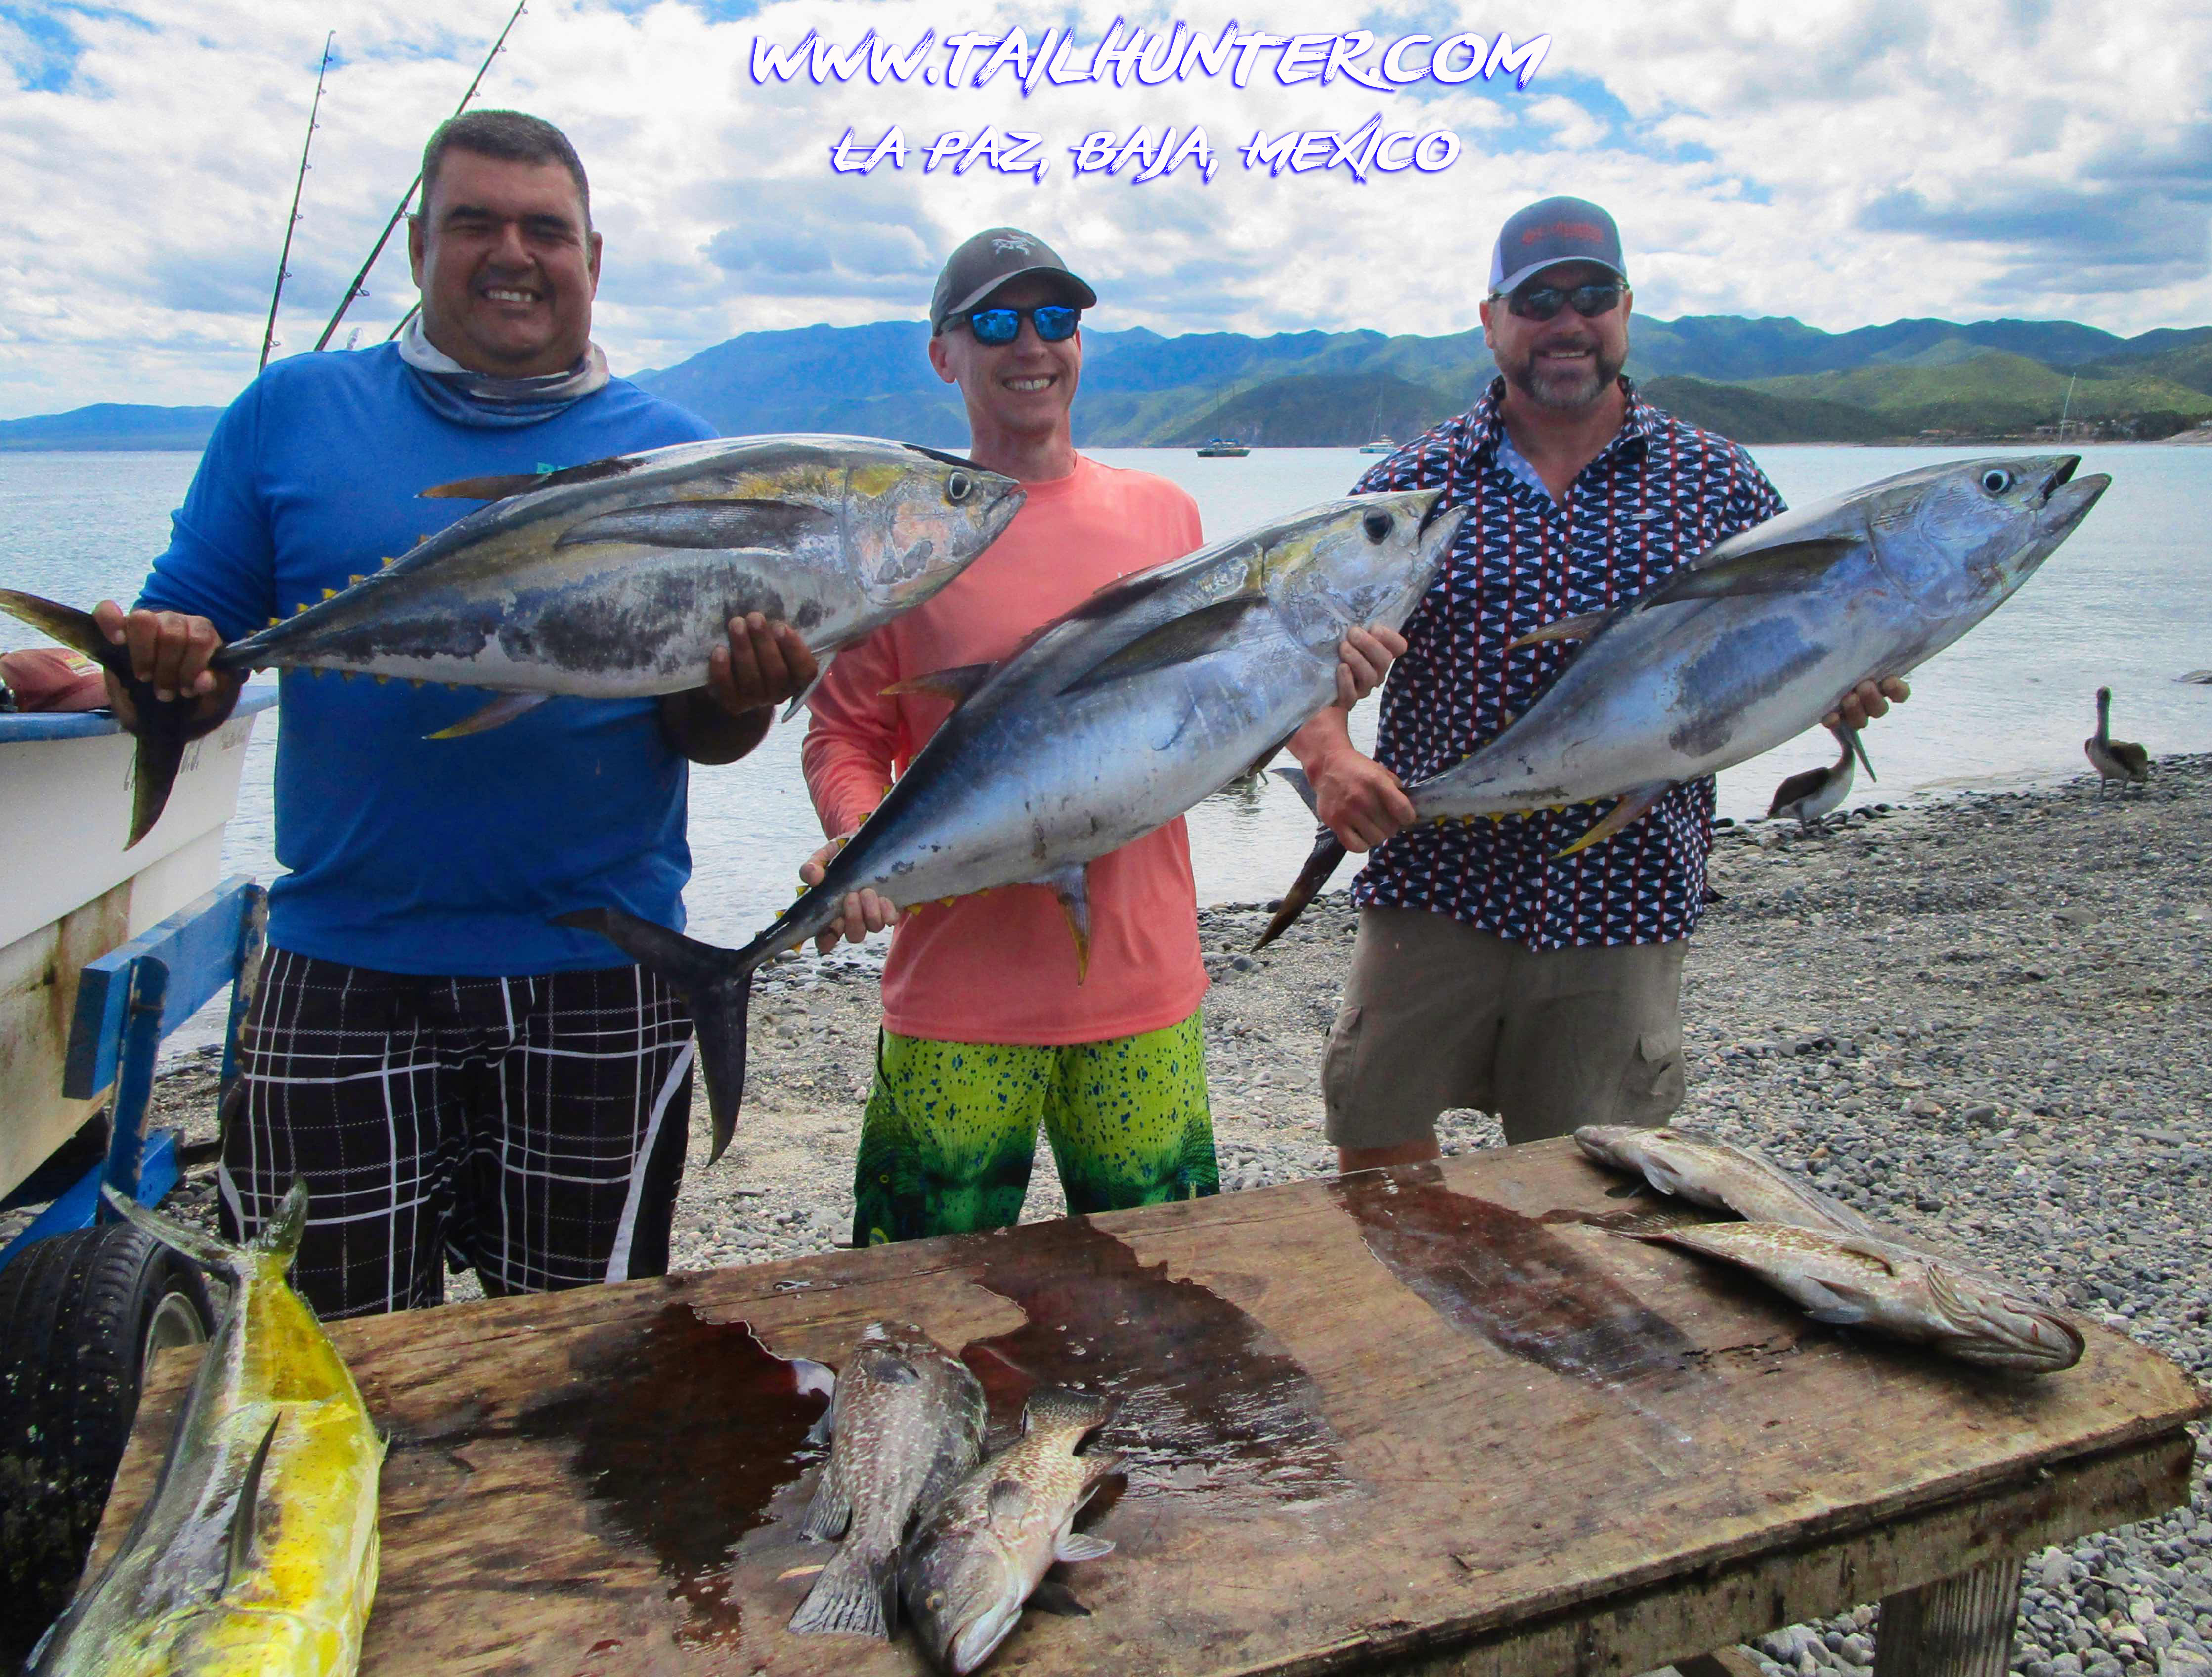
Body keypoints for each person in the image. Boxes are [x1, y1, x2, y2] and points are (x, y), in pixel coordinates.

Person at [94, 110, 817, 1316]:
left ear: (595, 258)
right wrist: (158, 666)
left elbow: (699, 734)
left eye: (547, 230)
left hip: (605, 969)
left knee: (584, 1355)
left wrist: (740, 694)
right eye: (475, 222)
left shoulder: (687, 462)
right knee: (322, 1352)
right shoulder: (290, 412)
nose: (512, 254)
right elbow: (191, 665)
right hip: (341, 959)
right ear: (419, 244)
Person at [799, 227, 1403, 1245]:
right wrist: (858, 839)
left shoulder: (1166, 514)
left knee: (1167, 1292)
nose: (1031, 343)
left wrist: (1329, 734)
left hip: (1142, 992)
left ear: (1080, 342)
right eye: (996, 322)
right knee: (914, 1296)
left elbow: (1236, 697)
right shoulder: (909, 544)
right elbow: (843, 734)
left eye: (1055, 318)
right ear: (943, 354)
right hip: (953, 1002)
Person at [1286, 195, 1907, 1173]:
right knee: (1380, 1154)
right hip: (1433, 887)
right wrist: (1331, 760)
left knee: (1593, 1191)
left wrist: (1840, 688)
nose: (1567, 322)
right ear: (1490, 321)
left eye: (1592, 296)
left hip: (1626, 895)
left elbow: (1802, 631)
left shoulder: (1719, 482)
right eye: (1538, 301)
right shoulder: (1412, 490)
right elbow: (1297, 659)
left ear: (1627, 310)